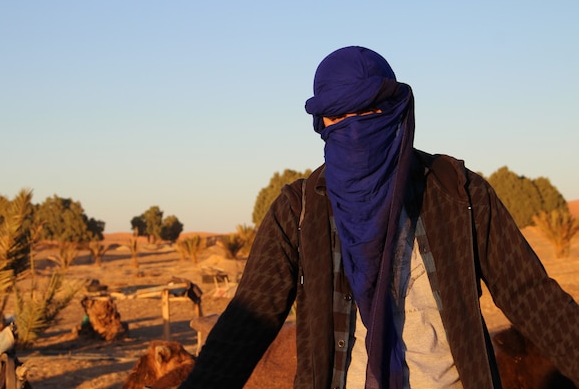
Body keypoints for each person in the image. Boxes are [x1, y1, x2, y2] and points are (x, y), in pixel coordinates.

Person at [178, 46, 579, 388]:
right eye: (338, 118)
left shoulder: (459, 194)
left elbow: (532, 296)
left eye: (368, 112)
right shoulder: (299, 211)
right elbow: (248, 322)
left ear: (394, 112)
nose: (353, 131)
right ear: (323, 125)